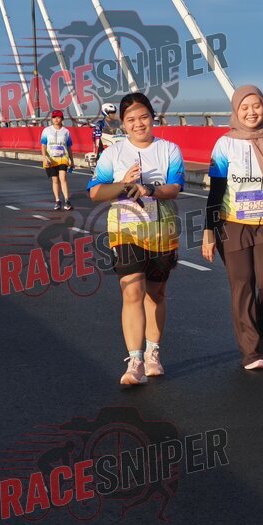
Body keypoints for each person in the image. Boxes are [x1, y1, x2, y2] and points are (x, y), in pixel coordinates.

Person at [88, 92, 184, 386]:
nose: (138, 124)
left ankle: (153, 353)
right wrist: (123, 184)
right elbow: (95, 192)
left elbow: (175, 187)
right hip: (125, 231)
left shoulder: (169, 150)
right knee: (131, 292)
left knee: (156, 294)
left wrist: (149, 190)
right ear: (123, 123)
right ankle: (135, 360)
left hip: (161, 230)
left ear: (153, 118)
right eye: (131, 119)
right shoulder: (113, 154)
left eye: (143, 117)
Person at [201, 85, 263, 370]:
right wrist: (209, 231)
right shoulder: (225, 144)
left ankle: (261, 327)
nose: (251, 112)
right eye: (244, 107)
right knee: (242, 284)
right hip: (232, 223)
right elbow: (215, 193)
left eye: (256, 106)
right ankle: (252, 352)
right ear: (236, 110)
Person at [40, 110, 75, 211]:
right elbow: (43, 145)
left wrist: (72, 161)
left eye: (58, 117)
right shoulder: (46, 131)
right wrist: (44, 157)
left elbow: (69, 147)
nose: (56, 119)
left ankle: (67, 200)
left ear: (62, 119)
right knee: (55, 180)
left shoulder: (66, 132)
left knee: (63, 178)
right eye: (54, 117)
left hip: (63, 158)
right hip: (50, 159)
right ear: (52, 119)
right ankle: (57, 200)